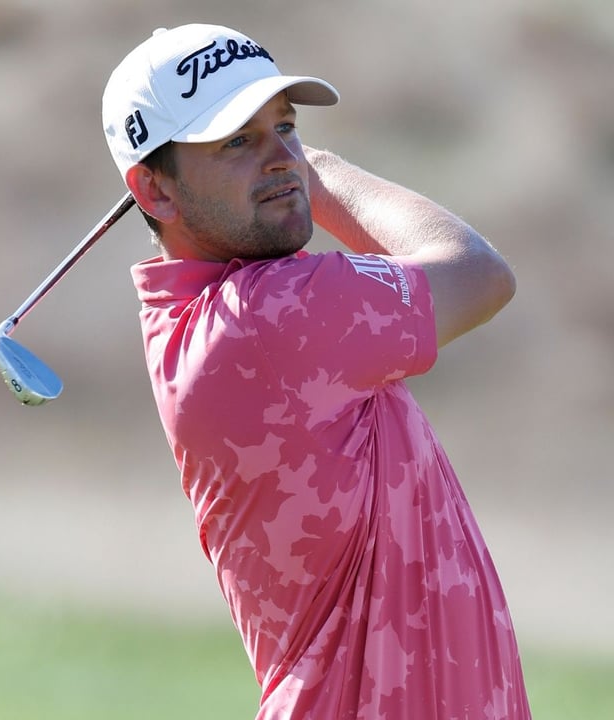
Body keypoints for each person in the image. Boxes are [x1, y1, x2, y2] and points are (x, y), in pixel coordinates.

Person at [101, 23, 529, 718]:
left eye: (287, 127)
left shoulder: (226, 315)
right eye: (238, 139)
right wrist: (318, 169)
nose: (280, 157)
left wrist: (277, 166)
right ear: (154, 191)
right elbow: (478, 274)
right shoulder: (268, 318)